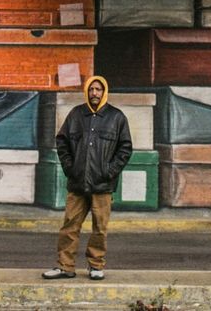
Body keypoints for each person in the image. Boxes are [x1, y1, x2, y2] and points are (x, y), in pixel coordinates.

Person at [42, 75, 132, 281]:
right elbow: (62, 142)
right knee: (69, 227)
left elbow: (125, 148)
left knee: (100, 228)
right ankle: (65, 266)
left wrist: (109, 171)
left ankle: (96, 265)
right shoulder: (76, 115)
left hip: (103, 185)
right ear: (87, 92)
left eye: (99, 90)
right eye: (91, 90)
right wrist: (70, 168)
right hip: (77, 183)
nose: (95, 93)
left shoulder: (116, 117)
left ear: (104, 92)